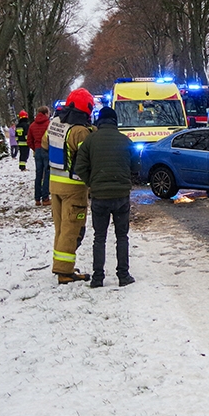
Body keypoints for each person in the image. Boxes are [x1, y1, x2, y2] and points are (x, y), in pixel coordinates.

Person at [74, 106, 136, 288]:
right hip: (121, 195)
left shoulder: (90, 141)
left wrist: (92, 183)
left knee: (99, 237)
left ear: (99, 121)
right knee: (122, 236)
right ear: (115, 122)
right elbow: (136, 165)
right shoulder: (125, 140)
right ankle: (123, 276)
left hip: (99, 196)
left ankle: (98, 278)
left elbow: (80, 167)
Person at [42, 89, 95, 284]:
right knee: (72, 230)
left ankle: (61, 265)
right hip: (74, 188)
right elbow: (88, 155)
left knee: (60, 228)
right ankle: (65, 272)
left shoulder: (54, 123)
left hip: (55, 184)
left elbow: (44, 144)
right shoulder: (80, 131)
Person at [27, 105, 51, 206]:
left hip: (37, 151)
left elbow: (29, 141)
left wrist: (35, 148)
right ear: (46, 113)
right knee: (47, 174)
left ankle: (37, 198)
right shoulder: (49, 124)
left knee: (38, 174)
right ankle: (45, 197)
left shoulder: (32, 125)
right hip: (47, 150)